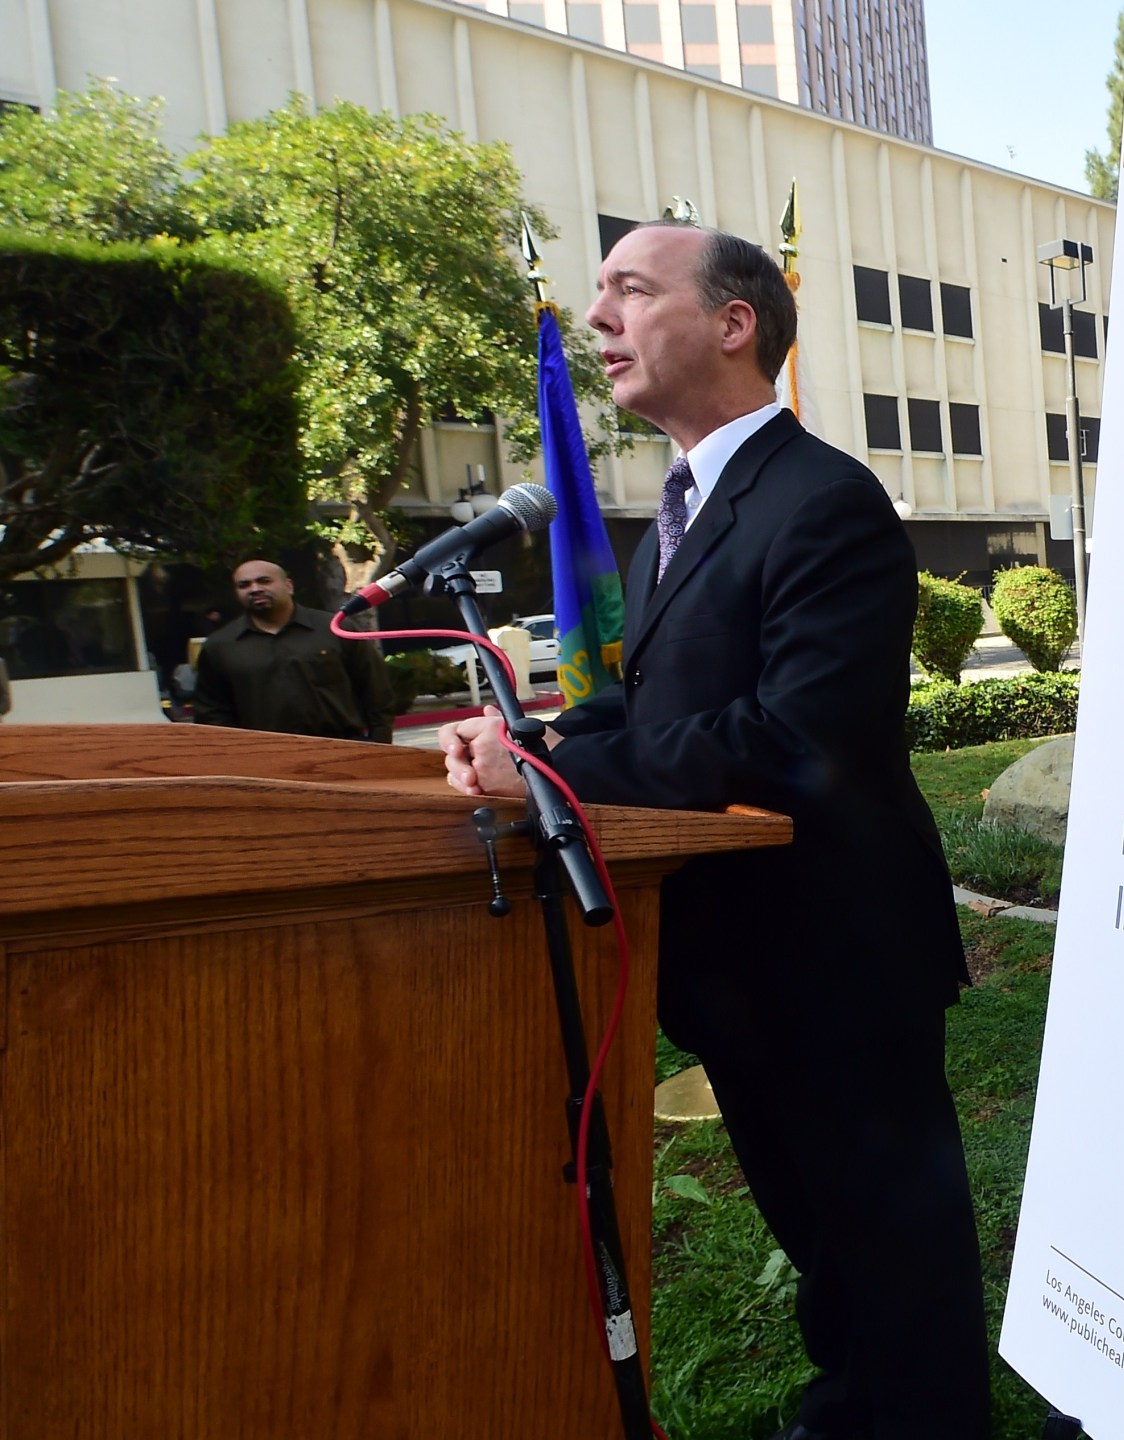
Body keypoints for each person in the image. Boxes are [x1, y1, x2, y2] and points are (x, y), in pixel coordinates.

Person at [436, 221, 987, 1440]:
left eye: (631, 290)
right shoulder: (680, 505)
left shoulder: (822, 500)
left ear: (735, 322)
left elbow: (798, 736)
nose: (596, 322)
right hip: (738, 966)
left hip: (837, 960)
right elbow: (662, 704)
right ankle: (854, 1404)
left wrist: (557, 763)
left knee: (893, 1242)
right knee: (818, 1228)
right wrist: (550, 733)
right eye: (598, 294)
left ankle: (923, 1418)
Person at [194, 560, 396, 743]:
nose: (254, 589)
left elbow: (376, 690)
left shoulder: (334, 629)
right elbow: (212, 712)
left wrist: (380, 744)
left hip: (342, 749)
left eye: (264, 581)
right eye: (244, 585)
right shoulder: (221, 645)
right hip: (266, 760)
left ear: (288, 586)